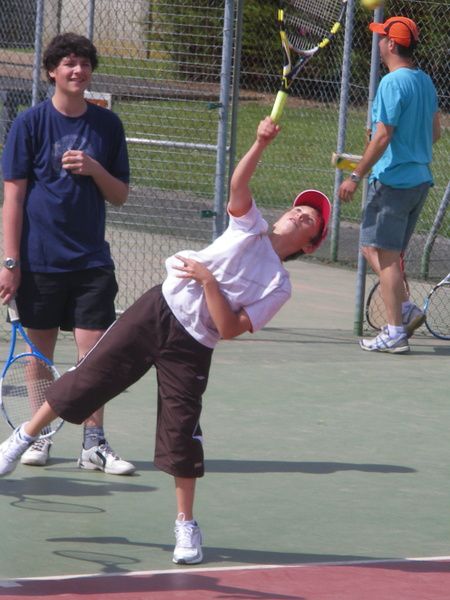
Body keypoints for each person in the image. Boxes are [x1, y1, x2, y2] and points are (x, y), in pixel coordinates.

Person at [0, 116, 331, 565]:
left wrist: (209, 282)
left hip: (193, 344)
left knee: (181, 433)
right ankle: (22, 438)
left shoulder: (278, 284)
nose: (297, 214)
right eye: (297, 208)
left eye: (308, 218)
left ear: (309, 244)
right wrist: (259, 143)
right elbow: (238, 182)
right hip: (157, 309)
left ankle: (185, 526)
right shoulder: (248, 225)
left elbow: (230, 328)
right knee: (88, 376)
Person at [0, 32, 135, 474]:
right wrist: (9, 262)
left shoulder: (107, 126)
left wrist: (95, 168)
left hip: (92, 262)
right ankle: (36, 437)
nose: (78, 70)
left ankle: (93, 444)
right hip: (38, 261)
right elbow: (13, 199)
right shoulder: (30, 123)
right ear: (52, 72)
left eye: (84, 63)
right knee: (39, 359)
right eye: (69, 63)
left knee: (93, 359)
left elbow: (119, 196)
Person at [338, 16, 441, 354]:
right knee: (375, 249)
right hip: (419, 182)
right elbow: (435, 133)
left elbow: (382, 136)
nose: (379, 43)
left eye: (382, 38)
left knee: (384, 258)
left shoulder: (392, 83)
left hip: (394, 184)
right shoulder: (425, 81)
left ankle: (395, 331)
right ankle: (406, 307)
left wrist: (355, 177)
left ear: (392, 45)